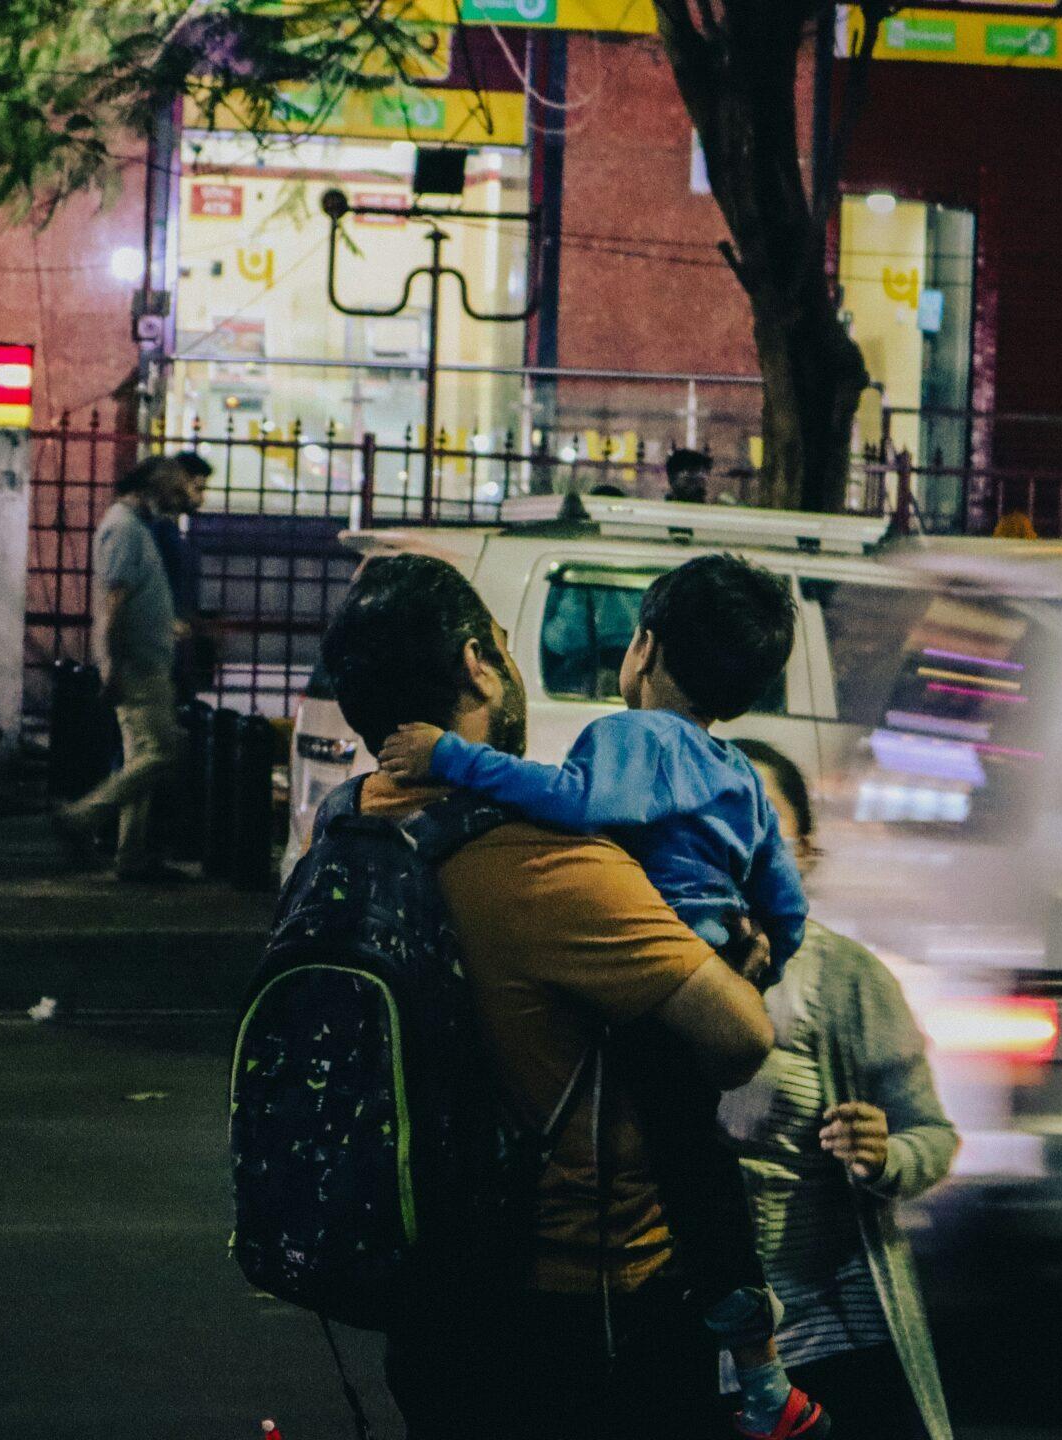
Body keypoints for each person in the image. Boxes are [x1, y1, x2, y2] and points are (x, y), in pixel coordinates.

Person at [324, 552, 778, 1440]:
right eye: (503, 644)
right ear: (476, 664)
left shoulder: (343, 831)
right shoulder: (552, 869)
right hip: (582, 1312)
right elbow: (740, 1040)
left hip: (427, 1296)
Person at [722, 741, 960, 1440]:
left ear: (807, 856)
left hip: (821, 1348)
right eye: (723, 820)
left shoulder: (847, 978)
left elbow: (931, 1135)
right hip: (683, 1354)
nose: (745, 846)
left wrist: (883, 1156)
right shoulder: (649, 972)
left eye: (769, 827)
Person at [52, 455, 190, 882]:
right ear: (149, 487)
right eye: (172, 488)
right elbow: (113, 603)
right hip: (139, 667)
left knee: (140, 759)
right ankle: (83, 816)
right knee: (162, 753)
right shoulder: (126, 529)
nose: (178, 497)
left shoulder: (132, 527)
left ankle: (130, 856)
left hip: (142, 662)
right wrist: (110, 664)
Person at [149, 451, 215, 697]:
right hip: (162, 636)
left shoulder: (168, 526)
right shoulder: (160, 528)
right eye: (197, 489)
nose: (200, 499)